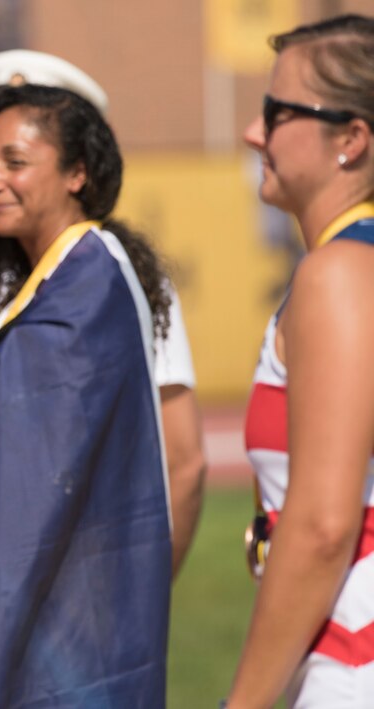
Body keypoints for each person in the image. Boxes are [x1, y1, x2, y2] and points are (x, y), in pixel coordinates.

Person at [0, 84, 173, 707]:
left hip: (69, 612)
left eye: (15, 161)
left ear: (77, 173)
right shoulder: (52, 280)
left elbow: (31, 488)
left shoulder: (88, 285)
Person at [0, 48, 206, 578]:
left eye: (16, 159)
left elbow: (184, 461)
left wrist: (139, 601)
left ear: (76, 166)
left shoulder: (126, 282)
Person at [225, 14, 374, 708]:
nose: (254, 132)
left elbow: (321, 526)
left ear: (352, 139)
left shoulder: (341, 275)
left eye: (279, 113)